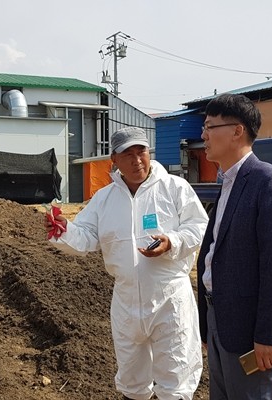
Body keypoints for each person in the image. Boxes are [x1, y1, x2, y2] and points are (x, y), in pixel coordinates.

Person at [45, 126, 208, 400]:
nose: (136, 160)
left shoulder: (174, 188)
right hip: (126, 300)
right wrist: (64, 229)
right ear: (114, 159)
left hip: (170, 298)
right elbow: (86, 238)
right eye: (127, 154)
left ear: (149, 153)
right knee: (131, 377)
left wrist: (172, 242)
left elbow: (198, 227)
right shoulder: (104, 199)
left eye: (141, 152)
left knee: (175, 376)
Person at [197, 93, 272, 399]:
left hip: (249, 328)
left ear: (237, 131)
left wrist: (269, 335)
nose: (203, 135)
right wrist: (207, 325)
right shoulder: (229, 183)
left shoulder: (268, 181)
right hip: (220, 320)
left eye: (209, 126)